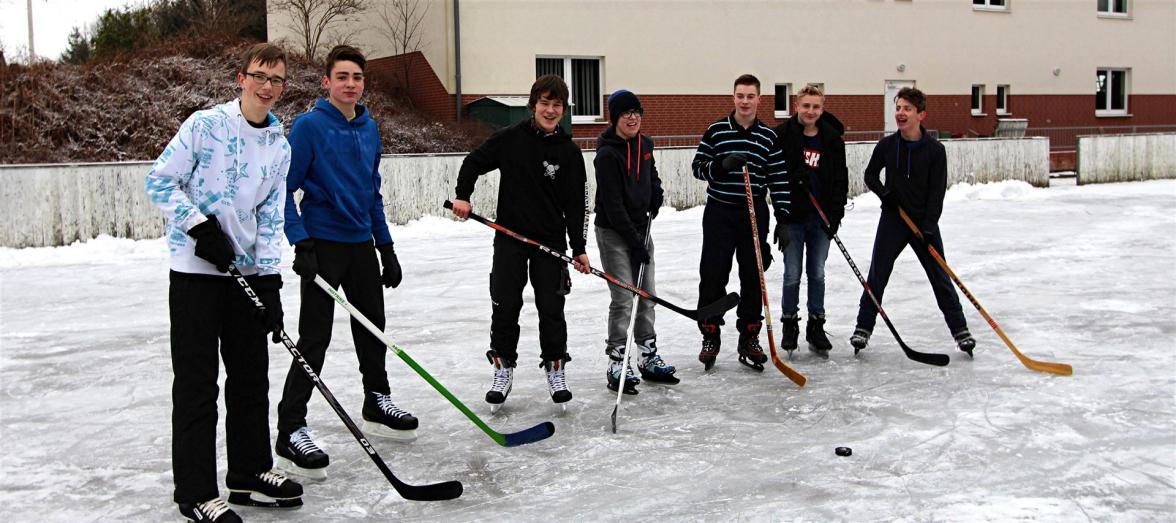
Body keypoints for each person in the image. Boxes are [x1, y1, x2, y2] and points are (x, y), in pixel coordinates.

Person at [145, 42, 302, 522]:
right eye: (260, 76)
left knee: (251, 377)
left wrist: (271, 279)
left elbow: (272, 215)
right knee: (197, 383)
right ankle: (194, 491)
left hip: (245, 273)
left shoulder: (280, 145)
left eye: (277, 80)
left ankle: (249, 471)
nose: (267, 87)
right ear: (241, 78)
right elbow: (159, 180)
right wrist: (197, 226)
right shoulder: (204, 125)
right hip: (196, 273)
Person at [275, 45, 414, 481]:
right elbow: (283, 191)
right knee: (314, 338)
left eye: (357, 77)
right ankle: (291, 425)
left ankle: (377, 399)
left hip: (360, 247)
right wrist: (301, 243)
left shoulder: (370, 128)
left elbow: (372, 193)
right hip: (323, 246)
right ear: (326, 82)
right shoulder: (309, 127)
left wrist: (385, 247)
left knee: (372, 326)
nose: (350, 84)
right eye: (342, 76)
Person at [450, 74, 590, 410]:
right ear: (533, 105)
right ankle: (503, 369)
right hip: (510, 239)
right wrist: (462, 196)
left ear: (564, 110)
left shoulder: (569, 153)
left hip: (550, 245)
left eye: (557, 105)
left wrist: (579, 247)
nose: (550, 110)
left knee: (551, 309)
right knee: (505, 304)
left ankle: (556, 369)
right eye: (545, 103)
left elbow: (576, 206)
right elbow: (473, 162)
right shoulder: (510, 140)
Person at [851, 87, 975, 355]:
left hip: (923, 223)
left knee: (940, 276)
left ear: (921, 114)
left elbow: (937, 193)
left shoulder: (934, 150)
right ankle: (863, 327)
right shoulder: (887, 146)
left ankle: (960, 330)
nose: (900, 113)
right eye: (898, 108)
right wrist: (885, 195)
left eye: (907, 109)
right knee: (878, 274)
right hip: (893, 221)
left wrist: (929, 227)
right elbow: (870, 176)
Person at [691, 74, 791, 371]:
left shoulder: (768, 136)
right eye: (740, 96)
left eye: (750, 96)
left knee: (753, 275)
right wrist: (719, 166)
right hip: (720, 212)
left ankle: (749, 336)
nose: (745, 101)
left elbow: (779, 179)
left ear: (759, 99)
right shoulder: (717, 130)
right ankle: (710, 334)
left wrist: (783, 217)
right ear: (733, 97)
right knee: (713, 273)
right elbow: (698, 167)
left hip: (754, 211)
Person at [593, 89, 679, 394]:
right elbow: (613, 206)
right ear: (615, 117)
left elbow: (650, 174)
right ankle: (617, 360)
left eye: (637, 112)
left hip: (641, 228)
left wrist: (656, 192)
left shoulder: (646, 144)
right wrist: (635, 242)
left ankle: (647, 355)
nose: (633, 118)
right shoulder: (606, 154)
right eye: (626, 113)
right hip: (614, 233)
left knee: (647, 294)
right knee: (623, 296)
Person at [772, 85, 848, 357]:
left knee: (817, 273)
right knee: (792, 274)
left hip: (821, 220)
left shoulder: (831, 139)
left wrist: (834, 218)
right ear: (796, 106)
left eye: (816, 107)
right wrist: (782, 209)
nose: (810, 111)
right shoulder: (782, 136)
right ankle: (789, 323)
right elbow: (774, 176)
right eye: (806, 106)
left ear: (822, 108)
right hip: (793, 218)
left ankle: (816, 325)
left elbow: (841, 180)